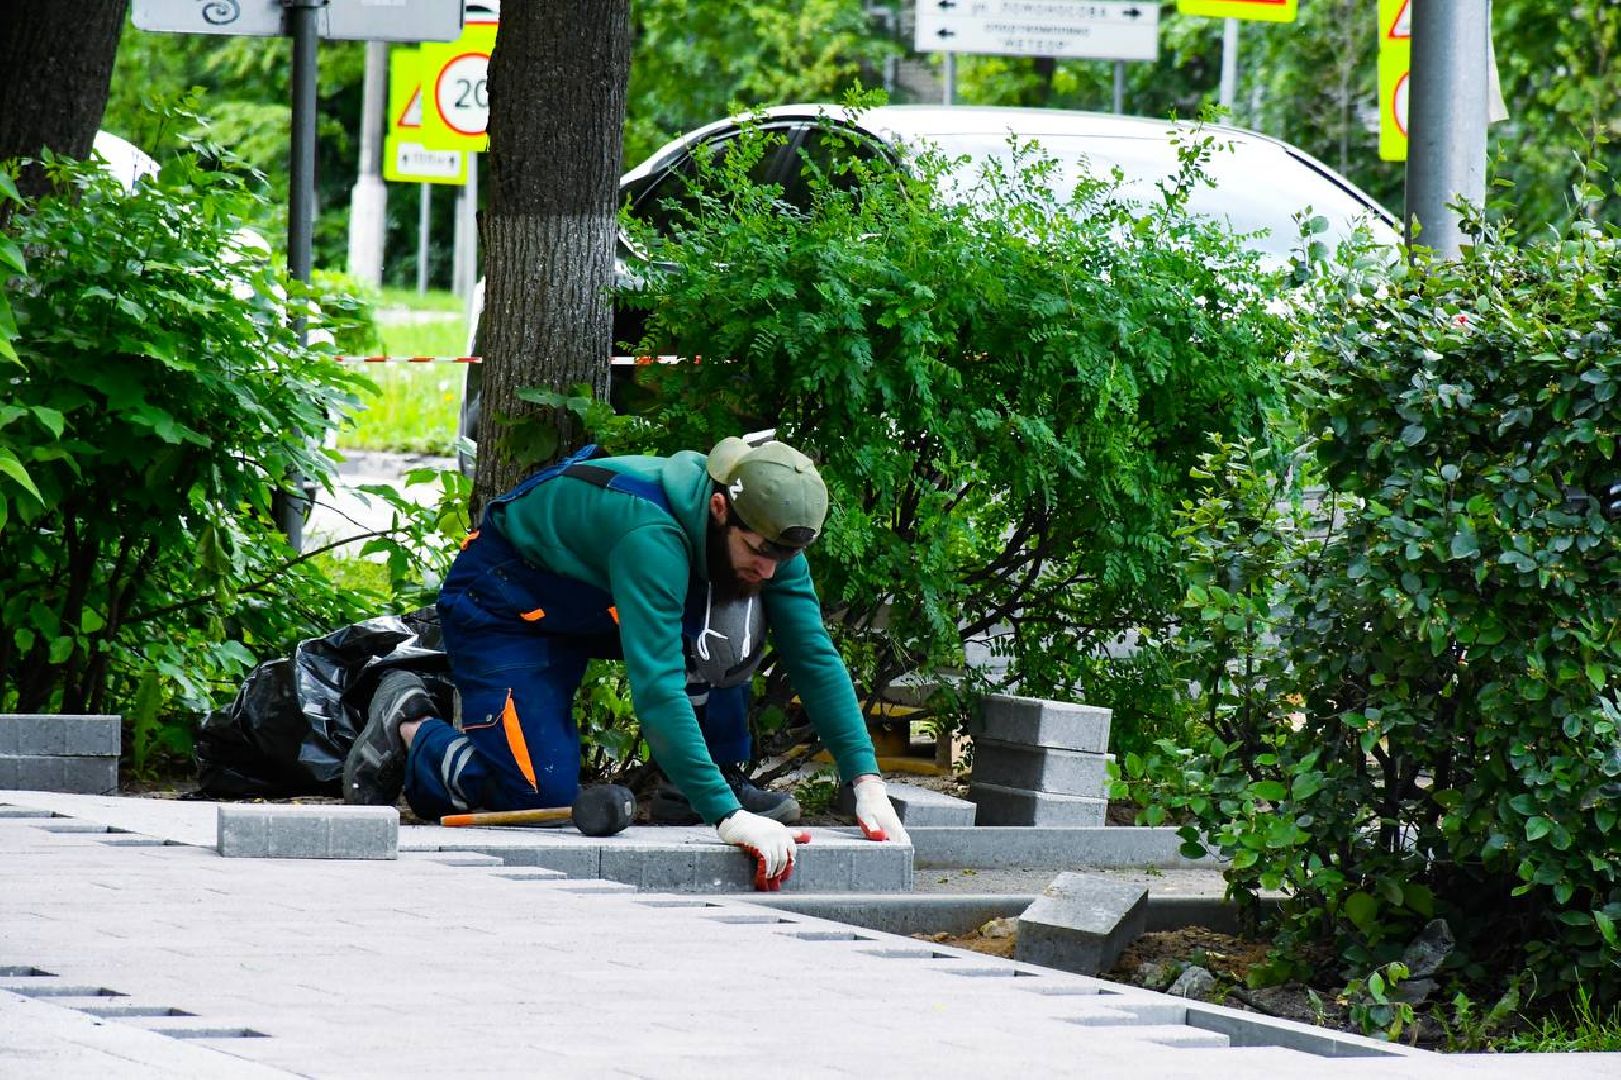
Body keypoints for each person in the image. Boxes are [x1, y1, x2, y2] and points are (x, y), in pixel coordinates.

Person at [342, 436, 909, 889]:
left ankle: (702, 783)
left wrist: (865, 780)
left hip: (597, 599)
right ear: (719, 508)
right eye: (760, 553)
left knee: (733, 622)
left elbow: (812, 653)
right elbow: (657, 687)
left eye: (784, 559)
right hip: (507, 605)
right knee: (542, 799)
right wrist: (727, 820)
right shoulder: (653, 536)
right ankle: (412, 722)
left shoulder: (765, 540)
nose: (770, 570)